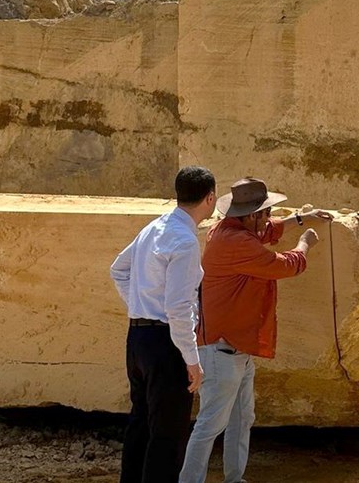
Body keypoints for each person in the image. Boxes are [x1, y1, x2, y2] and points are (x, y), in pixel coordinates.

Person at [179, 177, 331, 483]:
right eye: (263, 212)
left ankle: (234, 479)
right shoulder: (236, 242)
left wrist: (300, 218)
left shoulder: (231, 230)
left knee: (241, 418)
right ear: (249, 216)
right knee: (210, 425)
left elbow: (268, 229)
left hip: (236, 348)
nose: (267, 217)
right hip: (222, 350)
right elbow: (284, 265)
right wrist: (304, 243)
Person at [110, 166, 217, 483]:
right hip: (167, 345)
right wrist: (192, 359)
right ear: (209, 199)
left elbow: (119, 270)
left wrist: (140, 306)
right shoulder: (185, 241)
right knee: (168, 437)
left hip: (138, 339)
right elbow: (178, 307)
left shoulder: (153, 227)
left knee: (140, 425)